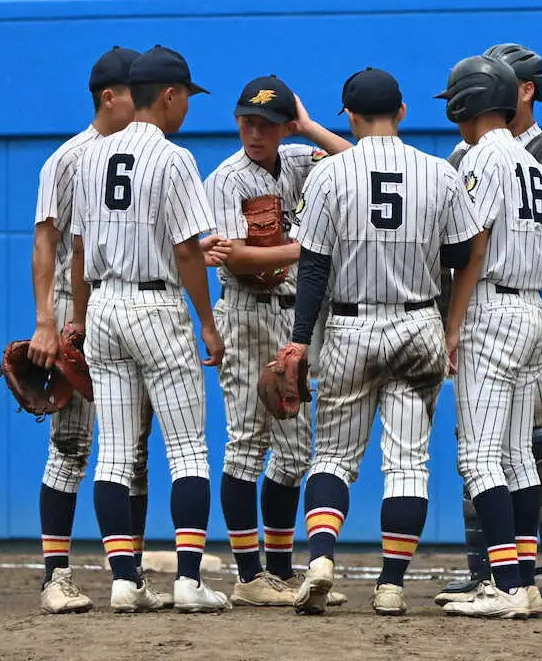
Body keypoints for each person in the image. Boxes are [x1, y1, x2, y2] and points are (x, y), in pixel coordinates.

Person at [283, 68, 483, 617]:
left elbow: (313, 269)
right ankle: (391, 585)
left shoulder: (329, 175)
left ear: (348, 116)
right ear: (402, 111)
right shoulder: (439, 173)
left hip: (350, 327)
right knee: (408, 464)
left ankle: (322, 557)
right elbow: (463, 257)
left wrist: (300, 342)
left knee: (334, 458)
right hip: (418, 325)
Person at [436, 43, 542, 613]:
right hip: (534, 309)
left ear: (467, 102)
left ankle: (505, 585)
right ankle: (522, 582)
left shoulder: (481, 158)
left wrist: (451, 324)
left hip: (493, 311)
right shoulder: (531, 162)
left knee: (479, 458)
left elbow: (473, 247)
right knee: (518, 457)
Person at [70, 45, 229, 614]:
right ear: (168, 95)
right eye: (186, 95)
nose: (187, 105)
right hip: (156, 307)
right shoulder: (173, 158)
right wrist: (208, 324)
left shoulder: (90, 157)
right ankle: (188, 581)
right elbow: (188, 252)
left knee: (113, 452)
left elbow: (80, 249)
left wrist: (80, 319)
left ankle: (122, 581)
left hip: (105, 306)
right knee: (187, 450)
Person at [203, 75, 351, 607]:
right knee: (247, 443)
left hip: (294, 322)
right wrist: (307, 251)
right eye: (245, 120)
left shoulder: (297, 159)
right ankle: (248, 577)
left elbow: (356, 159)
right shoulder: (226, 178)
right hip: (246, 314)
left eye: (265, 122)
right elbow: (236, 257)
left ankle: (281, 572)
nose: (253, 131)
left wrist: (309, 126)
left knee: (293, 452)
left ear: (283, 126)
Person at [29, 46, 165, 614]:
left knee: (133, 449)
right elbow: (47, 242)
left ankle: (129, 575)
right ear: (109, 96)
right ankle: (56, 577)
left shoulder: (146, 153)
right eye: (134, 90)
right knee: (72, 444)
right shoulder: (68, 159)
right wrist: (46, 322)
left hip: (124, 305)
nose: (143, 99)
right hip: (72, 310)